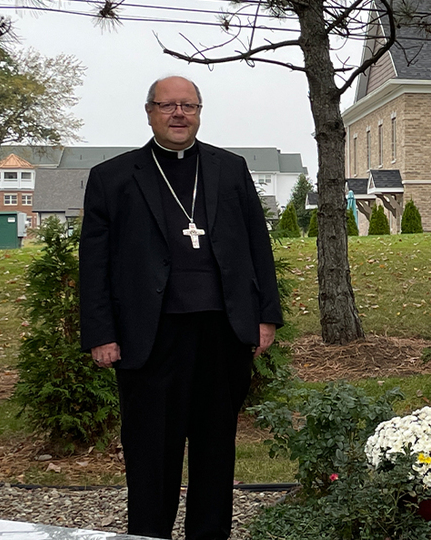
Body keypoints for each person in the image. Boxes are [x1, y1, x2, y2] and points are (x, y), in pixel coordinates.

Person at [80, 76, 282, 540]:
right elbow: (95, 262)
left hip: (222, 334)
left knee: (215, 452)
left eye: (188, 106)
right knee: (152, 454)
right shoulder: (113, 177)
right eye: (167, 105)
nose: (178, 114)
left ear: (199, 111)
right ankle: (148, 535)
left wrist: (265, 315)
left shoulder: (230, 169)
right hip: (148, 338)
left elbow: (257, 245)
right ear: (149, 111)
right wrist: (100, 333)